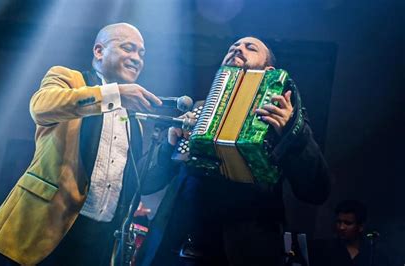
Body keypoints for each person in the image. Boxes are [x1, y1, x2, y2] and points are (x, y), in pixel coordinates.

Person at [0, 23, 164, 266]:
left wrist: (172, 149)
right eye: (128, 48)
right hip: (43, 227)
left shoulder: (133, 120)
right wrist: (113, 94)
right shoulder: (68, 78)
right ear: (99, 51)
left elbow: (141, 182)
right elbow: (41, 107)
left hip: (98, 243)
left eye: (141, 53)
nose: (136, 58)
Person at [136, 36, 331, 266]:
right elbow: (146, 183)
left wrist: (293, 134)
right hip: (183, 246)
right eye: (233, 47)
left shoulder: (284, 117)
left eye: (251, 48)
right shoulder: (199, 111)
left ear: (268, 69)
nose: (238, 49)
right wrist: (169, 147)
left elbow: (317, 190)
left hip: (245, 250)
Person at [310, 200, 390, 266]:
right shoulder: (324, 248)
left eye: (348, 223)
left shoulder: (373, 256)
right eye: (339, 222)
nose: (341, 227)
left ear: (360, 226)